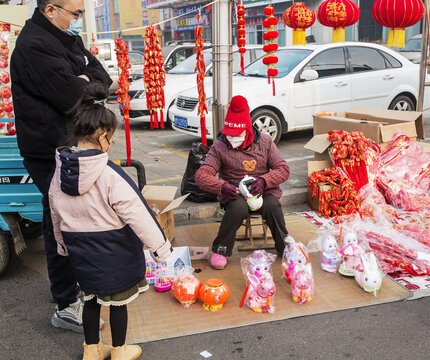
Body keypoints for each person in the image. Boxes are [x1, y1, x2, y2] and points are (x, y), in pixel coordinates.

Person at [49, 82, 173, 360]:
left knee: (91, 299)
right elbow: (138, 213)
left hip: (81, 252)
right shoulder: (109, 174)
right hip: (114, 251)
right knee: (118, 303)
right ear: (103, 136)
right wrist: (161, 249)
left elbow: (54, 213)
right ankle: (119, 351)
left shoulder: (59, 172)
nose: (112, 143)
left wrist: (63, 246)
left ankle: (91, 352)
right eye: (112, 138)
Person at [10, 0, 112, 332]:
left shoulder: (65, 38)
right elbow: (75, 96)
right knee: (62, 222)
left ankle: (73, 288)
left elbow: (102, 79)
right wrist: (82, 82)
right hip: (47, 150)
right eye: (75, 14)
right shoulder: (33, 45)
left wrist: (85, 80)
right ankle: (66, 304)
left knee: (70, 218)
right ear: (51, 10)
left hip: (70, 146)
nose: (78, 20)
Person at [195, 95, 290, 270]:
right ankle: (221, 249)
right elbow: (201, 175)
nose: (232, 138)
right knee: (238, 207)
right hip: (235, 194)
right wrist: (222, 186)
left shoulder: (265, 142)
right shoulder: (220, 146)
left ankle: (285, 247)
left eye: (237, 135)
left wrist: (265, 180)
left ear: (247, 129)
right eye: (229, 134)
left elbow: (283, 169)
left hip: (264, 191)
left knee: (272, 206)